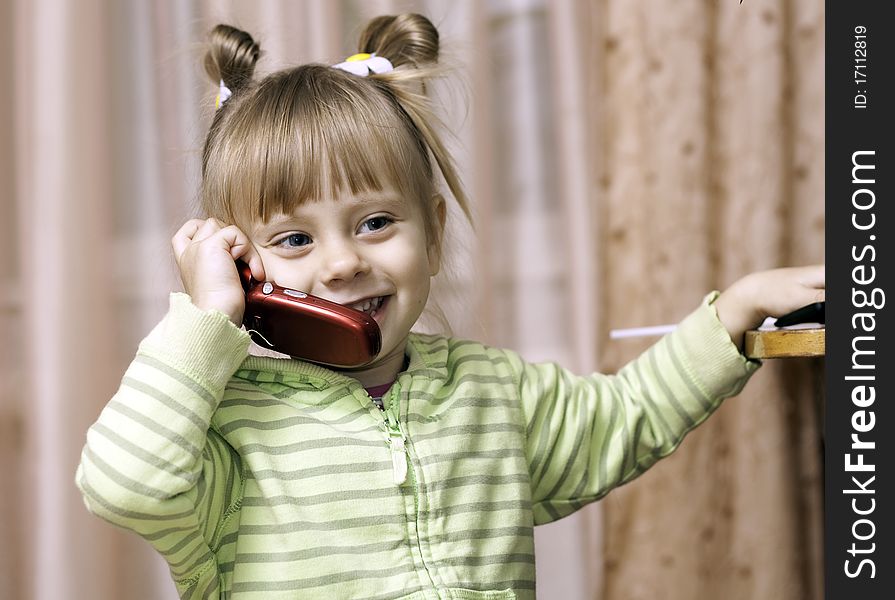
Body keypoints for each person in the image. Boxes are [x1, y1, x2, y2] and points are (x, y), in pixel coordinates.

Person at [76, 13, 825, 600]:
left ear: (433, 234)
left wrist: (737, 308)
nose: (343, 262)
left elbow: (625, 416)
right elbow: (123, 483)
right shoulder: (225, 429)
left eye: (375, 223)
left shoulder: (492, 392)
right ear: (244, 267)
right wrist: (208, 318)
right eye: (295, 239)